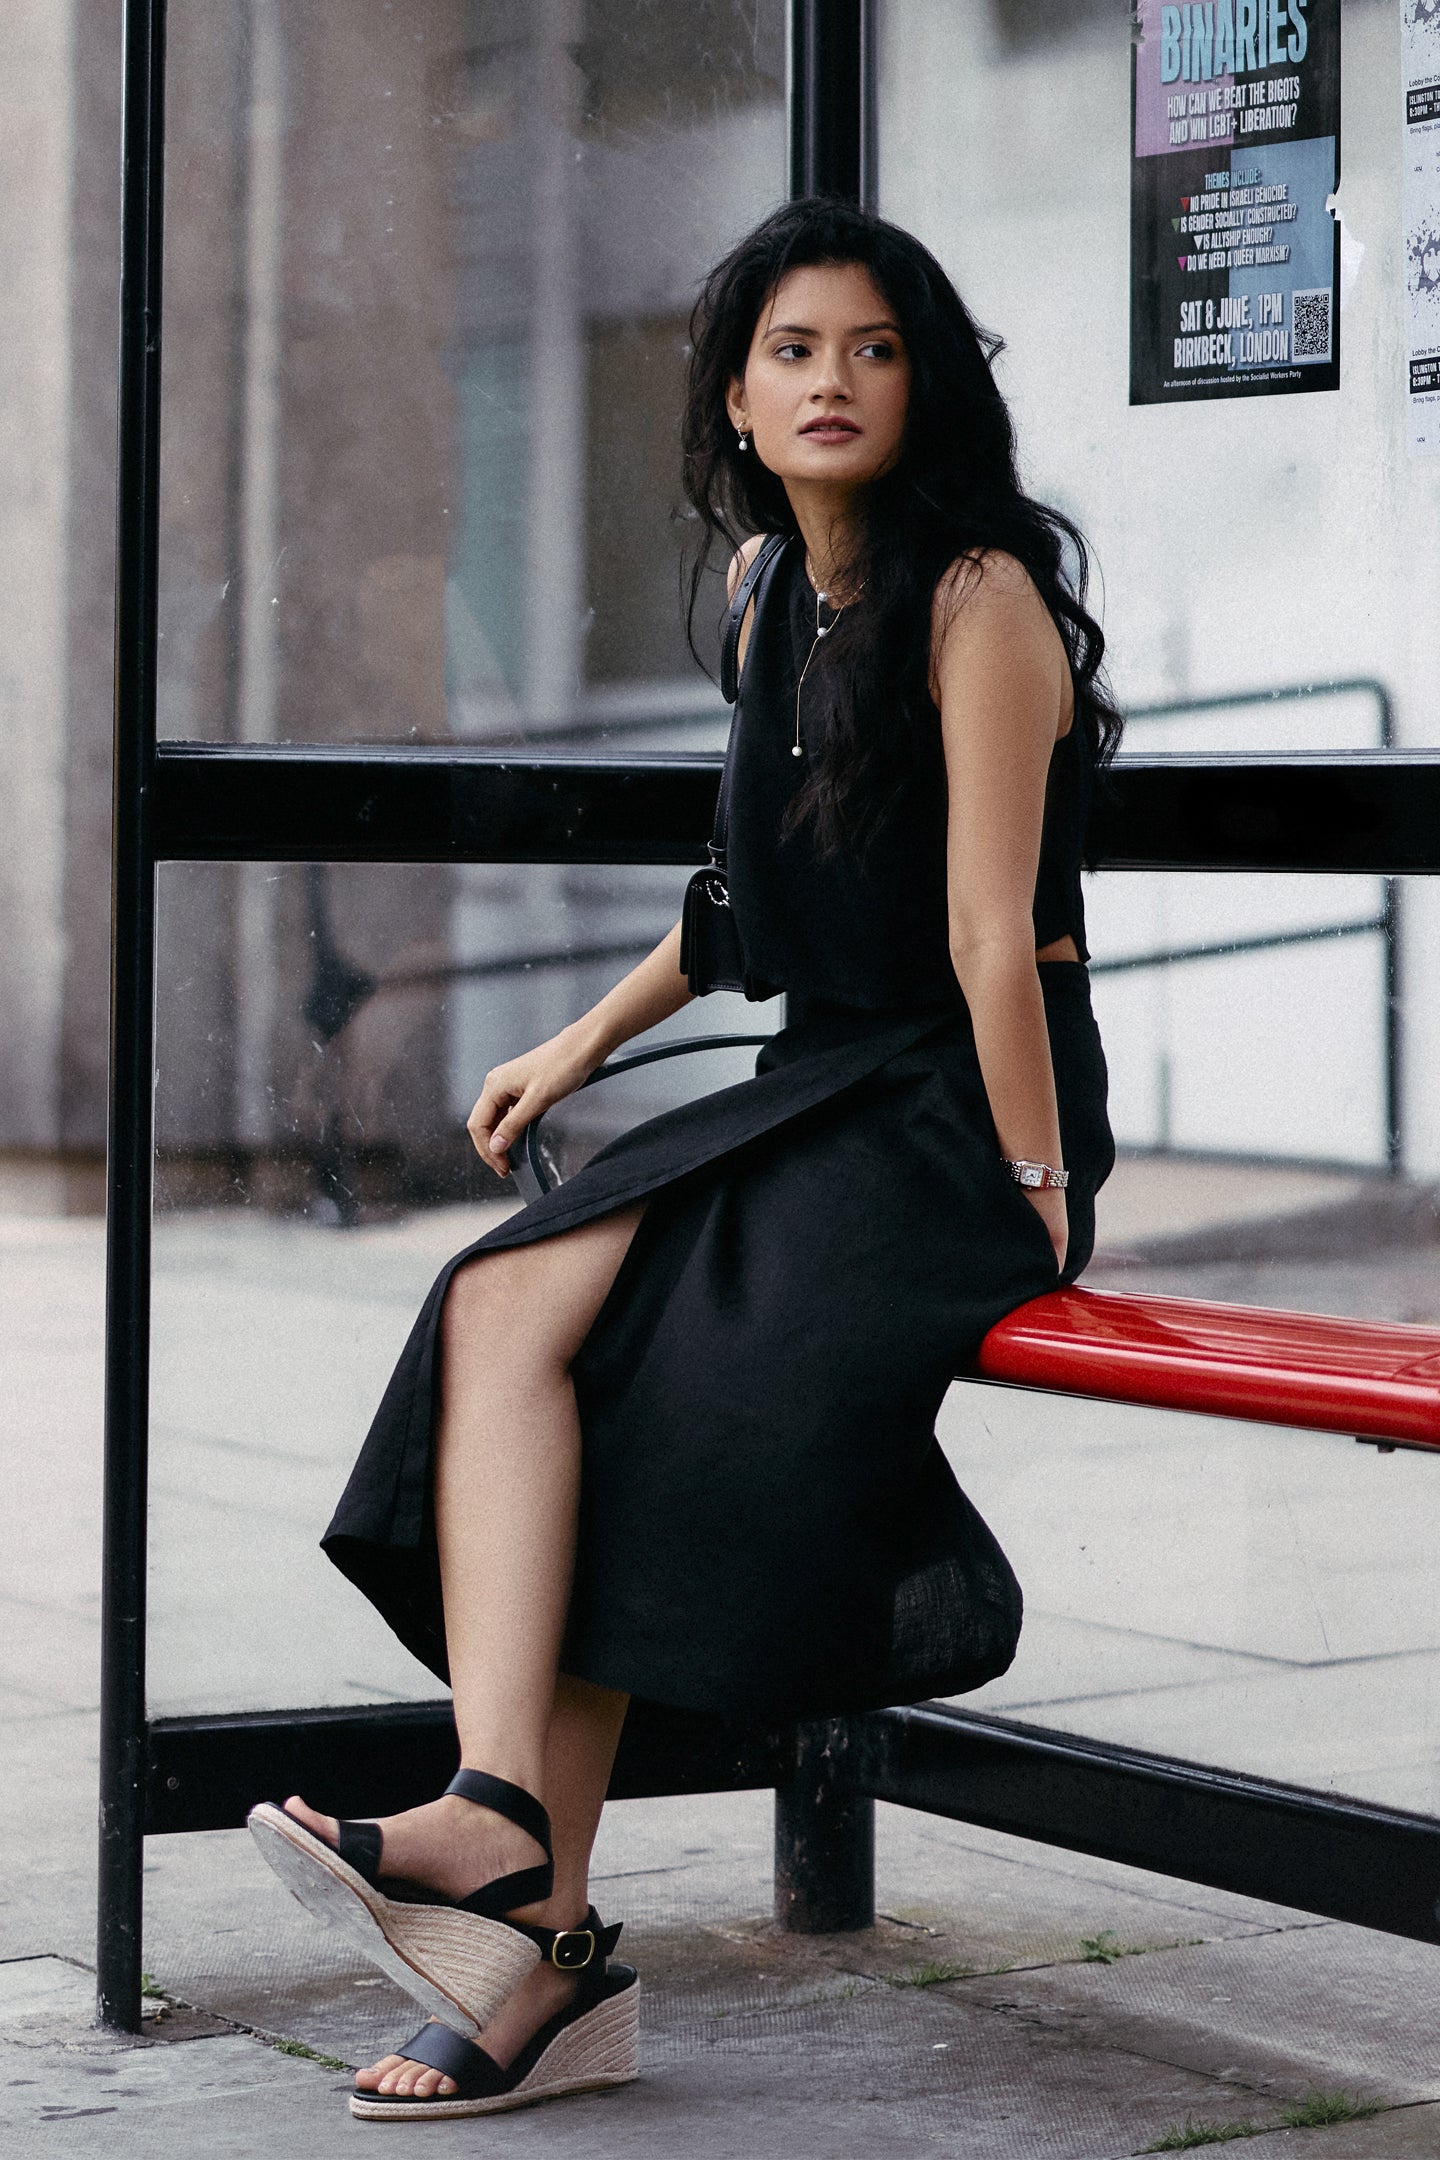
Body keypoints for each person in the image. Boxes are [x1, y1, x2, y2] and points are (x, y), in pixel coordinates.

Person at [246, 197, 1118, 2122]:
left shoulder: (978, 600)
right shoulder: (758, 594)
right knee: (504, 1302)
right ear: (734, 389)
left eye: (875, 350)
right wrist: (575, 1041)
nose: (833, 383)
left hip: (959, 1112)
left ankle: (522, 1924)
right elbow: (737, 898)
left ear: (927, 383)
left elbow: (991, 940)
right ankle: (508, 1852)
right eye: (796, 350)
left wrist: (1043, 1193)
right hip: (821, 1084)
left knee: (633, 1395)